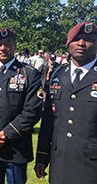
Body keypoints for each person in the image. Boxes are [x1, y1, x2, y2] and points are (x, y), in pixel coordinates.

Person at [0, 28, 43, 184]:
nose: (3, 48)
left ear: (14, 46)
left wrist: (5, 134)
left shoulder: (29, 74)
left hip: (16, 148)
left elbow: (32, 111)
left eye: (8, 44)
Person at [34, 22, 97, 184]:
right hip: (59, 163)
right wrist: (42, 156)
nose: (81, 43)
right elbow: (48, 120)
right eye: (76, 39)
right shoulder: (57, 75)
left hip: (91, 166)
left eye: (88, 39)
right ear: (69, 44)